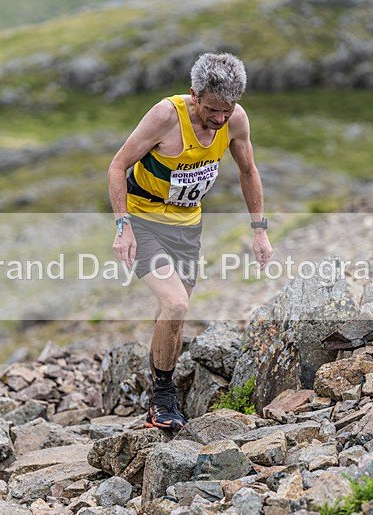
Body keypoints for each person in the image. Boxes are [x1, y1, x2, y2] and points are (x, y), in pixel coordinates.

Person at [108, 52, 272, 431]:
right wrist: (122, 227)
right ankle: (163, 400)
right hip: (143, 220)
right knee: (176, 303)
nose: (219, 119)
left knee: (171, 316)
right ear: (194, 94)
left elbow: (248, 170)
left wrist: (259, 229)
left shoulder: (236, 119)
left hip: (187, 226)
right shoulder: (165, 116)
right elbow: (117, 165)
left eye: (227, 111)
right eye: (212, 109)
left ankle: (157, 392)